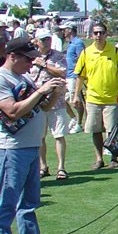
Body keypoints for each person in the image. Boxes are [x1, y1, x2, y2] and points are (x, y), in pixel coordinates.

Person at [0, 37, 65, 234]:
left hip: (30, 147)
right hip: (10, 149)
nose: (31, 64)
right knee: (5, 204)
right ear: (12, 56)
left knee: (28, 203)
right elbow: (12, 111)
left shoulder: (23, 77)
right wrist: (41, 91)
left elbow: (43, 108)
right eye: (27, 59)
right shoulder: (2, 78)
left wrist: (55, 93)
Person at [72, 22, 118, 170]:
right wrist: (76, 95)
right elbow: (80, 76)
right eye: (95, 33)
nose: (98, 36)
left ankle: (114, 159)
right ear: (91, 35)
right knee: (95, 130)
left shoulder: (114, 52)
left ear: (106, 34)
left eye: (101, 32)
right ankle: (99, 158)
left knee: (112, 131)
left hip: (112, 98)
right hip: (93, 98)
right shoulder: (86, 53)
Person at [27, 30, 69, 181]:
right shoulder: (30, 57)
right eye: (43, 40)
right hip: (37, 103)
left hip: (56, 102)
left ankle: (61, 167)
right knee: (40, 137)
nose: (47, 42)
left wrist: (44, 65)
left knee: (59, 135)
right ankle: (43, 166)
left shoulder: (58, 56)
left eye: (49, 39)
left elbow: (62, 72)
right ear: (37, 41)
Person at [63, 25, 85, 133]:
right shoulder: (70, 43)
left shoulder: (78, 43)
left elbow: (82, 59)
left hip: (74, 76)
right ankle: (74, 118)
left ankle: (79, 124)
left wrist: (79, 77)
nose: (63, 31)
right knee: (63, 99)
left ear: (70, 30)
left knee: (75, 101)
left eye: (65, 29)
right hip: (67, 75)